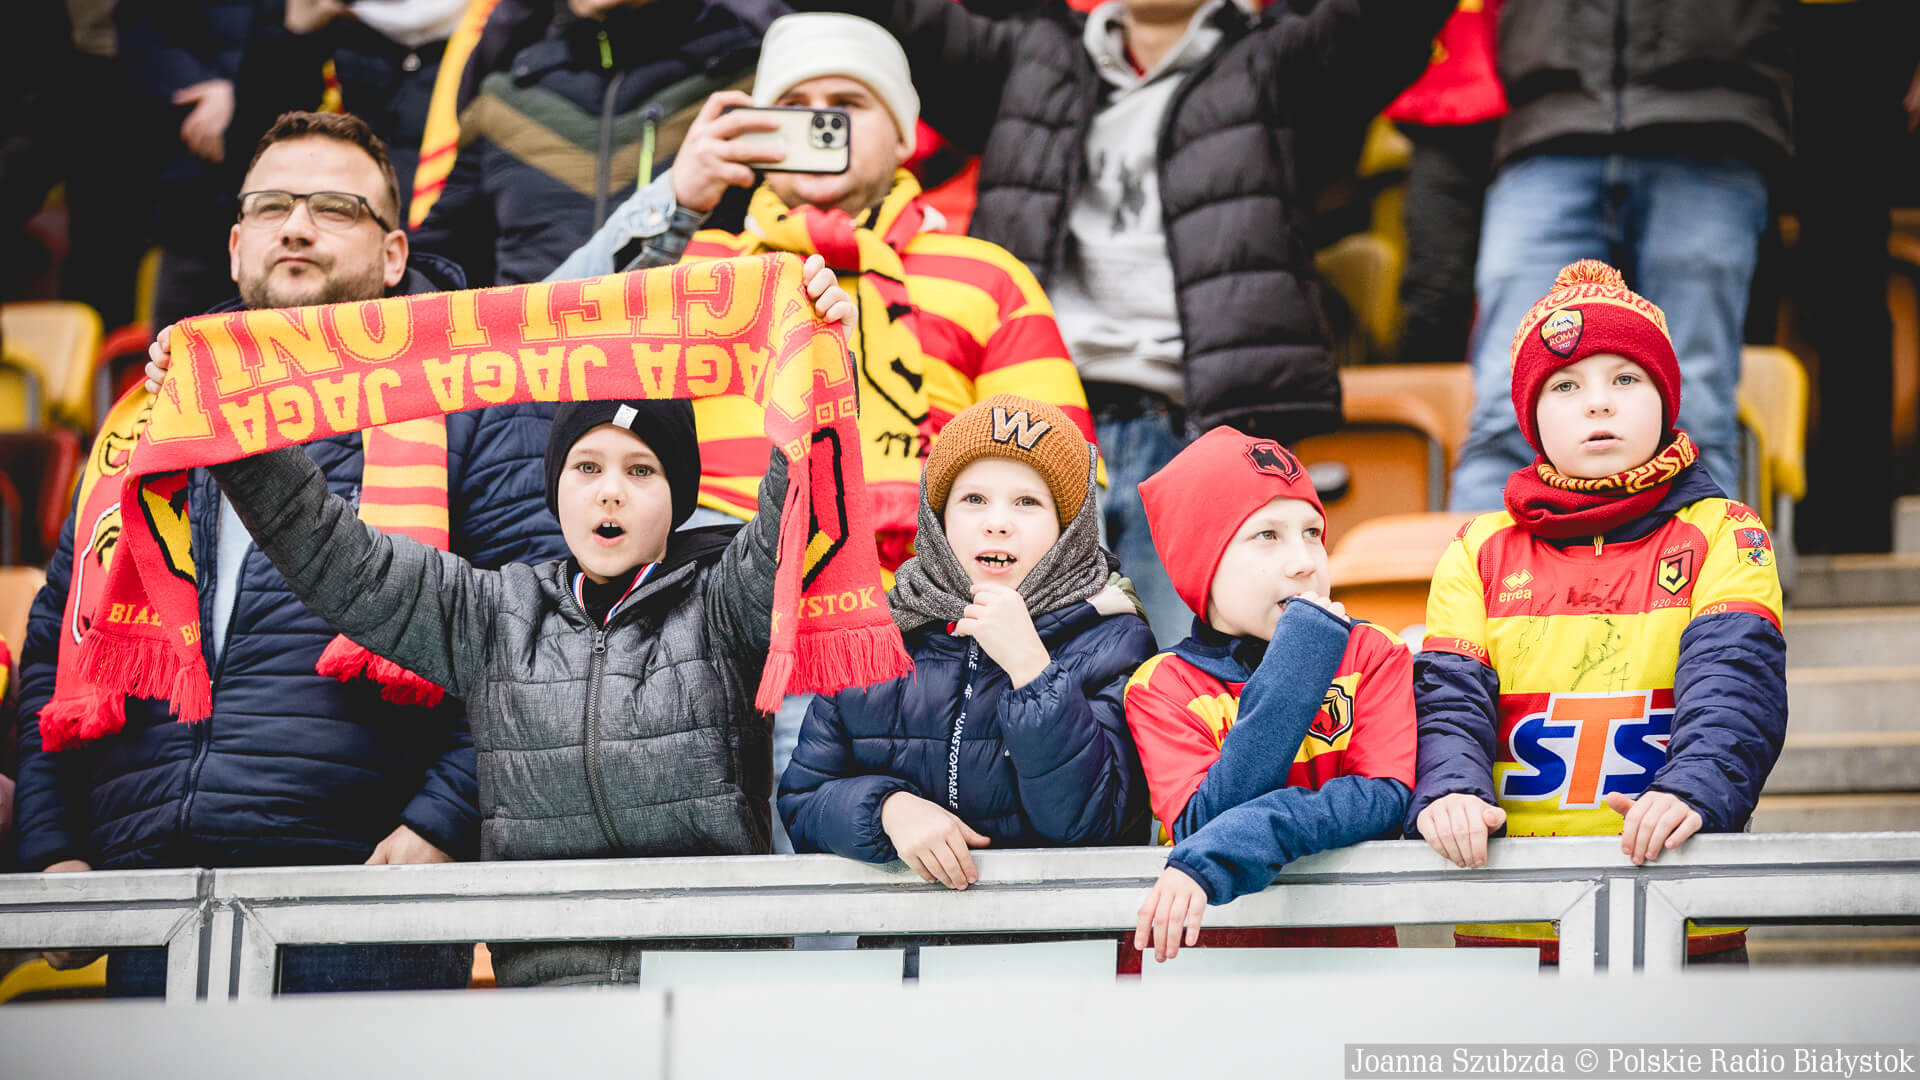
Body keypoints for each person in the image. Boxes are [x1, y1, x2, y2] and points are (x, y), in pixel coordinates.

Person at [175, 254, 855, 988]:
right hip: (544, 1006)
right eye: (586, 467)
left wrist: (820, 359)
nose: (611, 493)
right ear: (555, 488)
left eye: (641, 470)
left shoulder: (726, 602)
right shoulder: (493, 614)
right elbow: (338, 557)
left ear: (679, 497)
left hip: (710, 997)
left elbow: (798, 496)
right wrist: (228, 431)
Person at [13, 110, 564, 996]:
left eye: (336, 208)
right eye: (271, 207)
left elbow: (541, 630)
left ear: (394, 255)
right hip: (143, 898)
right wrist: (52, 849)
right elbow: (56, 648)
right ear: (236, 246)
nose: (297, 226)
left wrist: (446, 819)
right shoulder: (147, 421)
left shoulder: (479, 404)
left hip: (366, 893)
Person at [549, 11, 1099, 850]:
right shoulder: (698, 266)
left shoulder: (988, 274)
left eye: (846, 104)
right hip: (714, 641)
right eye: (794, 107)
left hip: (917, 650)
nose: (819, 123)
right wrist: (675, 197)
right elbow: (553, 346)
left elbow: (1064, 479)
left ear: (905, 134)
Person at [780, 0, 1453, 642]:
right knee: (1024, 675)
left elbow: (1391, 19)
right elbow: (897, 19)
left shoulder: (1279, 60)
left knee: (1188, 679)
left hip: (1198, 432)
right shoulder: (1028, 57)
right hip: (1031, 431)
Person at [1408, 261, 1788, 965]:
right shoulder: (1477, 548)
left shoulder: (1726, 532)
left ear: (1666, 399)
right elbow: (1448, 701)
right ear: (1530, 417)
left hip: (1680, 916)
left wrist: (1696, 790)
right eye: (1565, 386)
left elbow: (1736, 683)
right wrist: (1448, 791)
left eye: (1626, 379)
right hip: (1510, 934)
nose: (1598, 404)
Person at [780, 396, 1154, 888]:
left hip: (1055, 929)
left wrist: (1032, 670)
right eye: (974, 499)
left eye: (1028, 502)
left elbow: (1097, 826)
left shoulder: (1115, 640)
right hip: (899, 933)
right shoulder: (878, 637)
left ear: (1069, 529)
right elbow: (803, 803)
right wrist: (887, 809)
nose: (997, 522)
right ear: (937, 517)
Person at [1447, 0, 1792, 510]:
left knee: (1695, 409)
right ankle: (1480, 565)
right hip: (1547, 118)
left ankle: (1714, 564)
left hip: (1711, 116)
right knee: (1507, 409)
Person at [1125, 429, 1416, 963]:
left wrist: (1261, 826)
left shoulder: (1374, 652)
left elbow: (1384, 800)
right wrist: (1296, 665)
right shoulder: (1162, 686)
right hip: (1212, 966)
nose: (1305, 561)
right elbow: (1203, 825)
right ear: (1203, 563)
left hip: (1357, 965)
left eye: (1312, 532)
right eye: (1267, 535)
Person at [409, 0, 764, 285]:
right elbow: (435, 265)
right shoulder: (503, 98)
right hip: (532, 347)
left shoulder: (753, 81)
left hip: (697, 339)